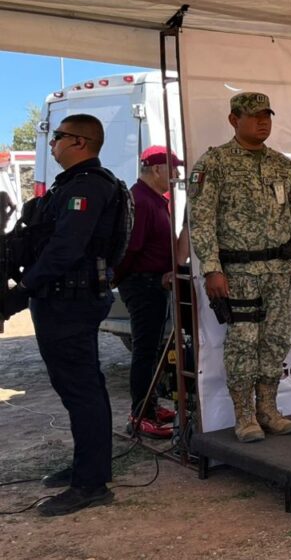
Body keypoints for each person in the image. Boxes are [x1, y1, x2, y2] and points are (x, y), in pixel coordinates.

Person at [3, 114, 131, 516]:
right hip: (62, 300)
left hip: (69, 302)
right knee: (80, 387)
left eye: (57, 137)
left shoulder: (88, 186)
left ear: (79, 142)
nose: (52, 143)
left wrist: (21, 292)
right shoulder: (72, 185)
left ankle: (90, 484)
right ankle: (89, 468)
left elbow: (65, 249)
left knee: (81, 389)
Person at [190, 92, 291, 443]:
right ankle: (244, 416)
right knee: (243, 343)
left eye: (267, 115)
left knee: (275, 341)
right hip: (239, 273)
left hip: (278, 270)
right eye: (254, 115)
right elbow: (201, 221)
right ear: (234, 120)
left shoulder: (281, 165)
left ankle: (268, 410)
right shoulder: (215, 163)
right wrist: (212, 268)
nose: (263, 121)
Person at [116, 146, 183, 440]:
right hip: (143, 283)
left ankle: (151, 406)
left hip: (153, 282)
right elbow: (131, 249)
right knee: (145, 350)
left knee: (153, 348)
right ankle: (140, 414)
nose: (176, 174)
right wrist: (124, 279)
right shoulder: (141, 201)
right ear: (157, 169)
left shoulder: (154, 199)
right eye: (173, 168)